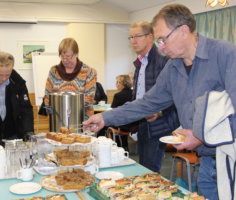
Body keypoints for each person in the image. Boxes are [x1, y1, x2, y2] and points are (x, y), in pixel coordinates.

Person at [83, 4, 236, 200]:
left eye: (163, 39)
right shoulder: (174, 67)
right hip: (207, 162)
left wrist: (202, 135)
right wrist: (105, 118)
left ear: (183, 30)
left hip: (230, 159)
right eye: (158, 41)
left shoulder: (226, 55)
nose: (160, 47)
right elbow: (147, 103)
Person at [128, 21, 179, 172]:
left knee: (149, 171)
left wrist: (160, 112)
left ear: (150, 37)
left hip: (158, 123)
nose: (133, 41)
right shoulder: (140, 62)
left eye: (137, 36)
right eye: (130, 37)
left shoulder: (164, 60)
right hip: (142, 121)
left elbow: (174, 93)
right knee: (142, 166)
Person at [44, 38, 97, 118]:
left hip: (83, 120)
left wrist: (66, 109)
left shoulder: (89, 72)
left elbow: (89, 98)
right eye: (62, 56)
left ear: (76, 54)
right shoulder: (54, 71)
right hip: (59, 120)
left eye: (68, 56)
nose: (65, 60)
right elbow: (48, 96)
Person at [110, 75, 133, 150]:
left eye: (117, 82)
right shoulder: (134, 93)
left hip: (122, 125)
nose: (116, 84)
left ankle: (117, 147)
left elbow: (113, 111)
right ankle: (124, 146)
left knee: (104, 126)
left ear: (123, 83)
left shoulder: (118, 95)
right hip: (133, 124)